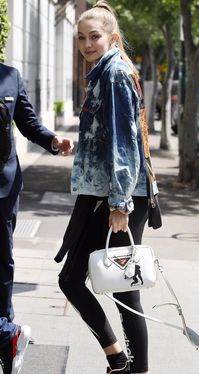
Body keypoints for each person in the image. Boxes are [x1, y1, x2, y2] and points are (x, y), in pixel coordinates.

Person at [55, 1, 157, 373]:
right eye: (81, 38)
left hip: (114, 198)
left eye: (94, 36)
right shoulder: (105, 72)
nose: (86, 44)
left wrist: (120, 203)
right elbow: (109, 138)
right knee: (119, 287)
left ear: (112, 37)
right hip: (106, 193)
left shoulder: (113, 74)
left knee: (113, 287)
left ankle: (124, 363)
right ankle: (122, 362)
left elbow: (124, 144)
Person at [0, 60, 74, 374]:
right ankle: (6, 336)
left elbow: (27, 122)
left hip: (3, 185)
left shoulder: (10, 77)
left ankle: (6, 329)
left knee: (2, 258)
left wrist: (53, 142)